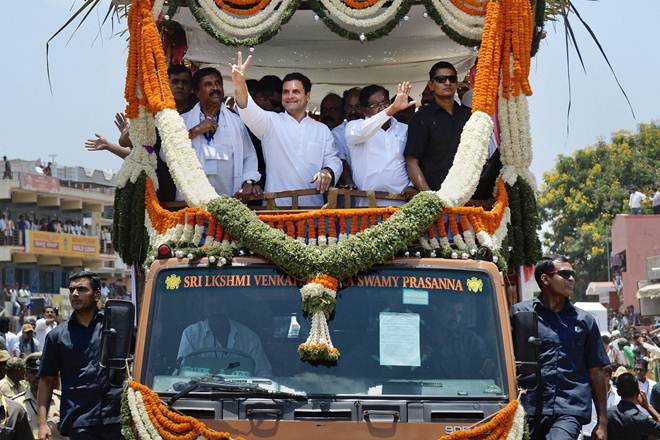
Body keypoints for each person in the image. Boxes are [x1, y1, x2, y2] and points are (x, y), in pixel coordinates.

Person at [510, 255, 610, 440]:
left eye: (573, 275)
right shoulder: (520, 314)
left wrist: (602, 422)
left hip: (569, 409)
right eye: (565, 274)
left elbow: (596, 371)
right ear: (545, 279)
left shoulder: (585, 321)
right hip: (527, 407)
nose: (571, 279)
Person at [230, 51, 342, 206]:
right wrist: (239, 84)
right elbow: (247, 109)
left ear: (307, 96)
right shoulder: (271, 122)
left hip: (312, 208)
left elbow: (334, 160)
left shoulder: (322, 130)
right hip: (276, 208)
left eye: (296, 92)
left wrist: (327, 171)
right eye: (286, 92)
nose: (290, 96)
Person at [38, 270, 124, 439]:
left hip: (116, 418)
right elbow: (46, 380)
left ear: (97, 295)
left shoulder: (115, 328)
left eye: (82, 289)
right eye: (72, 290)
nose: (75, 294)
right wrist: (42, 424)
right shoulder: (57, 336)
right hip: (78, 421)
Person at [181, 67, 262, 201]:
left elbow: (249, 157)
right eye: (208, 84)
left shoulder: (236, 121)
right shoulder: (182, 121)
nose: (215, 88)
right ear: (197, 92)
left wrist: (248, 182)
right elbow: (165, 155)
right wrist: (195, 131)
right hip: (192, 200)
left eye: (218, 83)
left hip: (229, 199)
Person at [345, 83, 417, 206]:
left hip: (401, 202)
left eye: (385, 103)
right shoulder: (354, 127)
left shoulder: (404, 129)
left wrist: (411, 186)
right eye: (376, 105)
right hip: (368, 204)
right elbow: (363, 130)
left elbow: (413, 162)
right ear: (364, 110)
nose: (383, 108)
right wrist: (392, 109)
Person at [404, 61, 472, 193]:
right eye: (441, 79)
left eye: (452, 79)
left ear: (457, 83)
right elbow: (411, 161)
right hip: (437, 194)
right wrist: (429, 195)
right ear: (431, 85)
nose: (447, 83)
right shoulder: (421, 118)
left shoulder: (468, 116)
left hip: (469, 194)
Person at [177, 294, 272, 378]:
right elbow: (182, 373)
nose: (216, 311)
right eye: (211, 306)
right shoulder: (191, 335)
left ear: (228, 306)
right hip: (198, 391)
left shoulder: (249, 338)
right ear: (203, 308)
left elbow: (264, 374)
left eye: (220, 306)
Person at [14, 352, 63, 439]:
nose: (37, 376)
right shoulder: (17, 404)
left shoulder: (61, 400)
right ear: (26, 375)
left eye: (41, 372)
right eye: (33, 372)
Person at [608, 372, 660, 439]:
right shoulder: (641, 418)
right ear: (638, 391)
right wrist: (648, 407)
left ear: (618, 392)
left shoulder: (608, 414)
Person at [332, 87, 362, 188]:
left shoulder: (373, 128)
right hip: (350, 190)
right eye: (349, 107)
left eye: (357, 106)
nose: (353, 111)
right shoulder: (337, 133)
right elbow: (341, 161)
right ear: (344, 108)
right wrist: (349, 183)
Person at [582, 365, 620, 439]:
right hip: (587, 435)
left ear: (608, 376)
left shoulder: (618, 395)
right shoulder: (587, 392)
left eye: (597, 376)